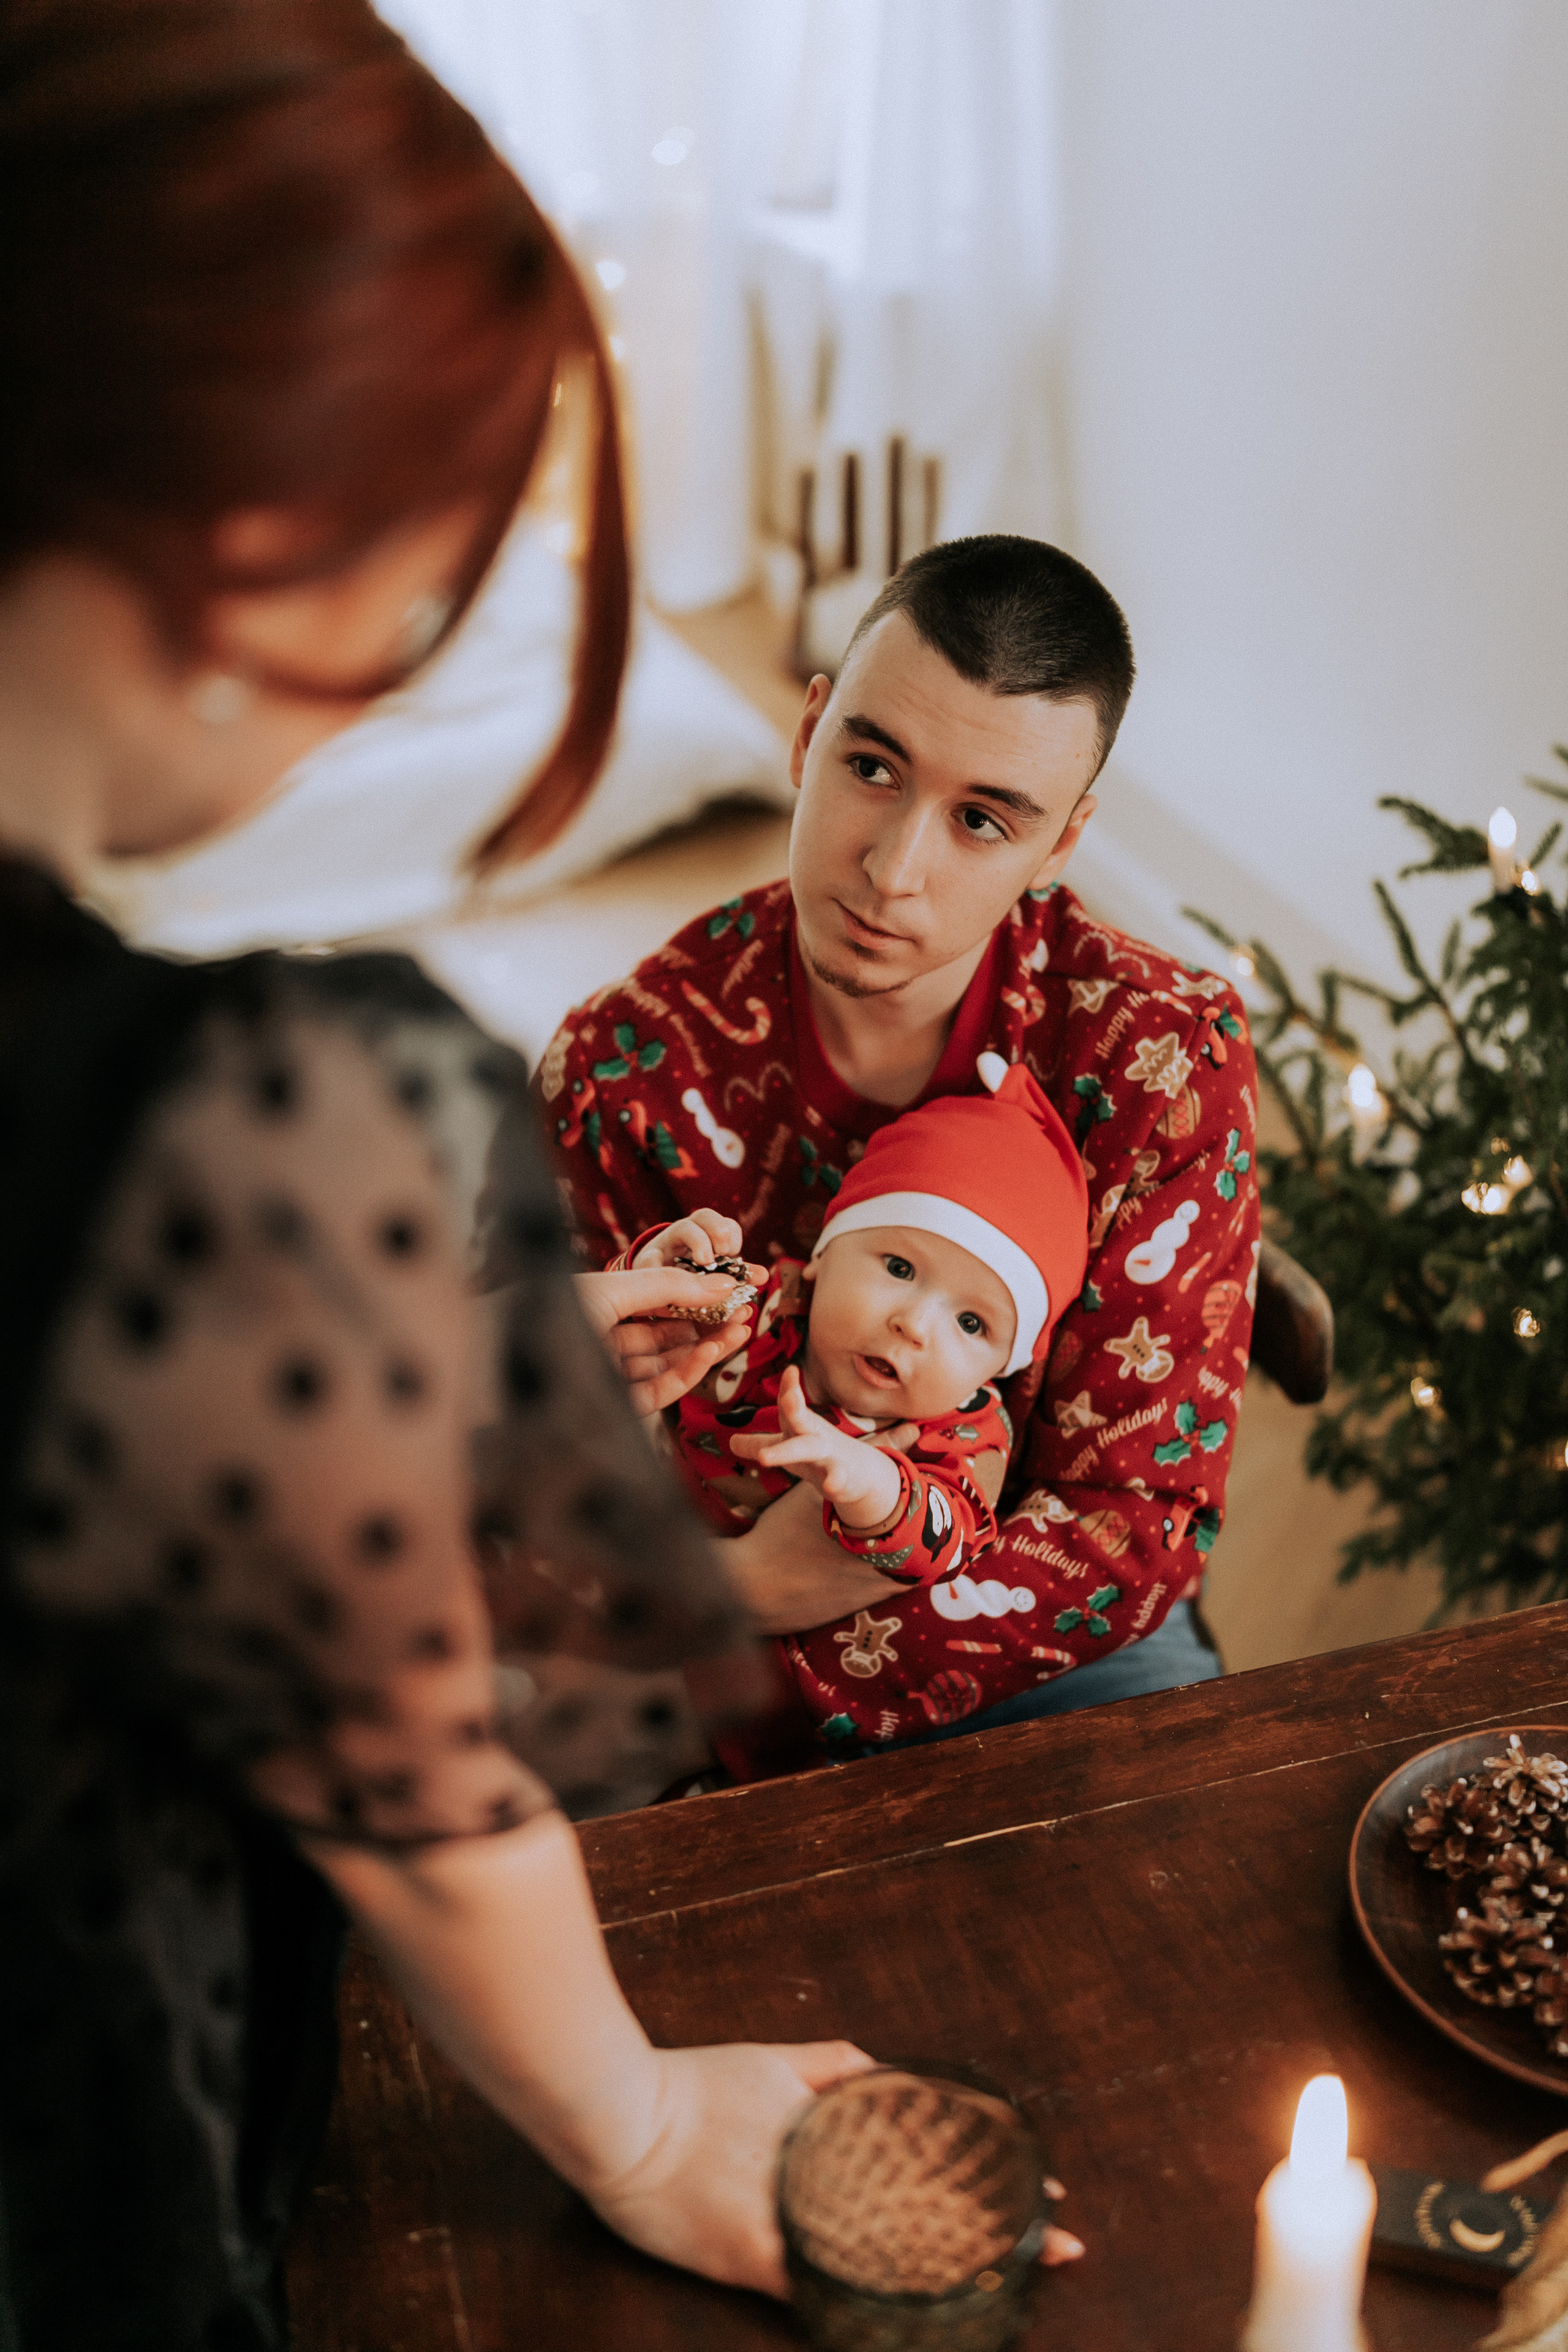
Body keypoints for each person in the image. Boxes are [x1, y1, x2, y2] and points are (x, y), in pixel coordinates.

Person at [0, 6, 1032, 2342]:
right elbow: (392, 1752)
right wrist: (642, 2121)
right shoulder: (259, 1115)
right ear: (271, 525)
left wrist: (400, 1368)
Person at [541, 535, 1262, 1743]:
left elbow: (1130, 1528)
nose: (891, 870)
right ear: (806, 731)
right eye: (871, 766)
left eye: (983, 820)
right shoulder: (625, 1064)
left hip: (1039, 1647)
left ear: (1061, 844)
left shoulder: (1159, 1064)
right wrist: (738, 1587)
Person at [620, 1057, 1091, 1762]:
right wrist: (658, 1266)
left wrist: (870, 1485)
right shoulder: (771, 1302)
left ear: (1001, 1368)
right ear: (823, 1255)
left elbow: (944, 1537)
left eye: (972, 1324)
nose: (915, 1325)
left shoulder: (965, 1432)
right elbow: (645, 1328)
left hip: (774, 1693)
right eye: (898, 1269)